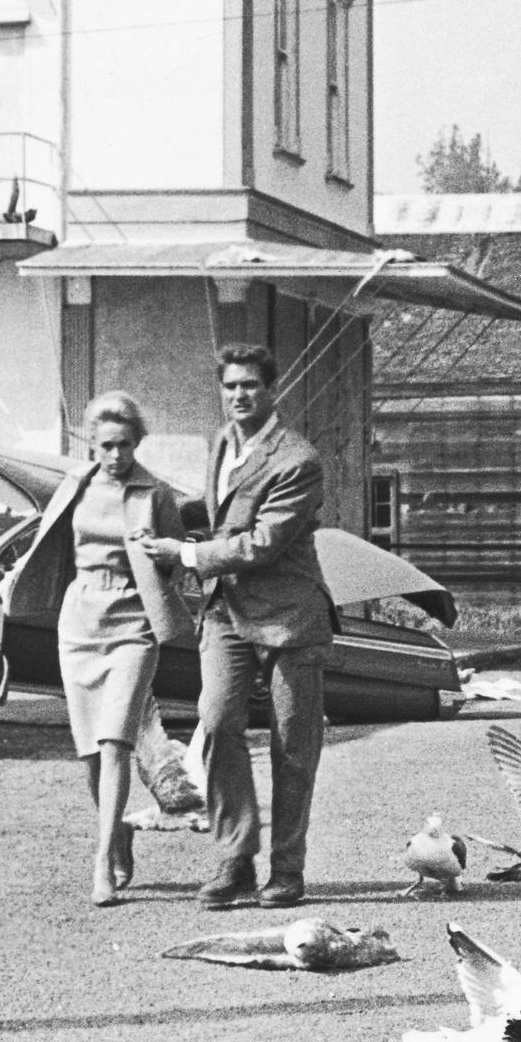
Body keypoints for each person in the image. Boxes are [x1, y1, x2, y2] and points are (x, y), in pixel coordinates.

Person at [138, 343, 334, 911]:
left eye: (249, 385)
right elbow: (222, 515)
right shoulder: (222, 442)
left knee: (292, 746)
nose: (239, 396)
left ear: (272, 390)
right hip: (225, 610)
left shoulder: (298, 459)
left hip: (289, 617)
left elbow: (265, 542)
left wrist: (187, 554)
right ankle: (235, 857)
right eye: (230, 387)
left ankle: (287, 871)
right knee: (218, 722)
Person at [0, 392, 190, 907]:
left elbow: (178, 559)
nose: (116, 455)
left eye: (125, 444)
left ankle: (101, 860)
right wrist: (12, 581)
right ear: (90, 442)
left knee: (115, 742)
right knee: (89, 752)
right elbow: (48, 542)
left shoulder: (157, 494)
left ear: (138, 442)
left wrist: (159, 555)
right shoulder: (74, 486)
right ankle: (119, 830)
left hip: (134, 623)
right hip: (80, 621)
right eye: (106, 445)